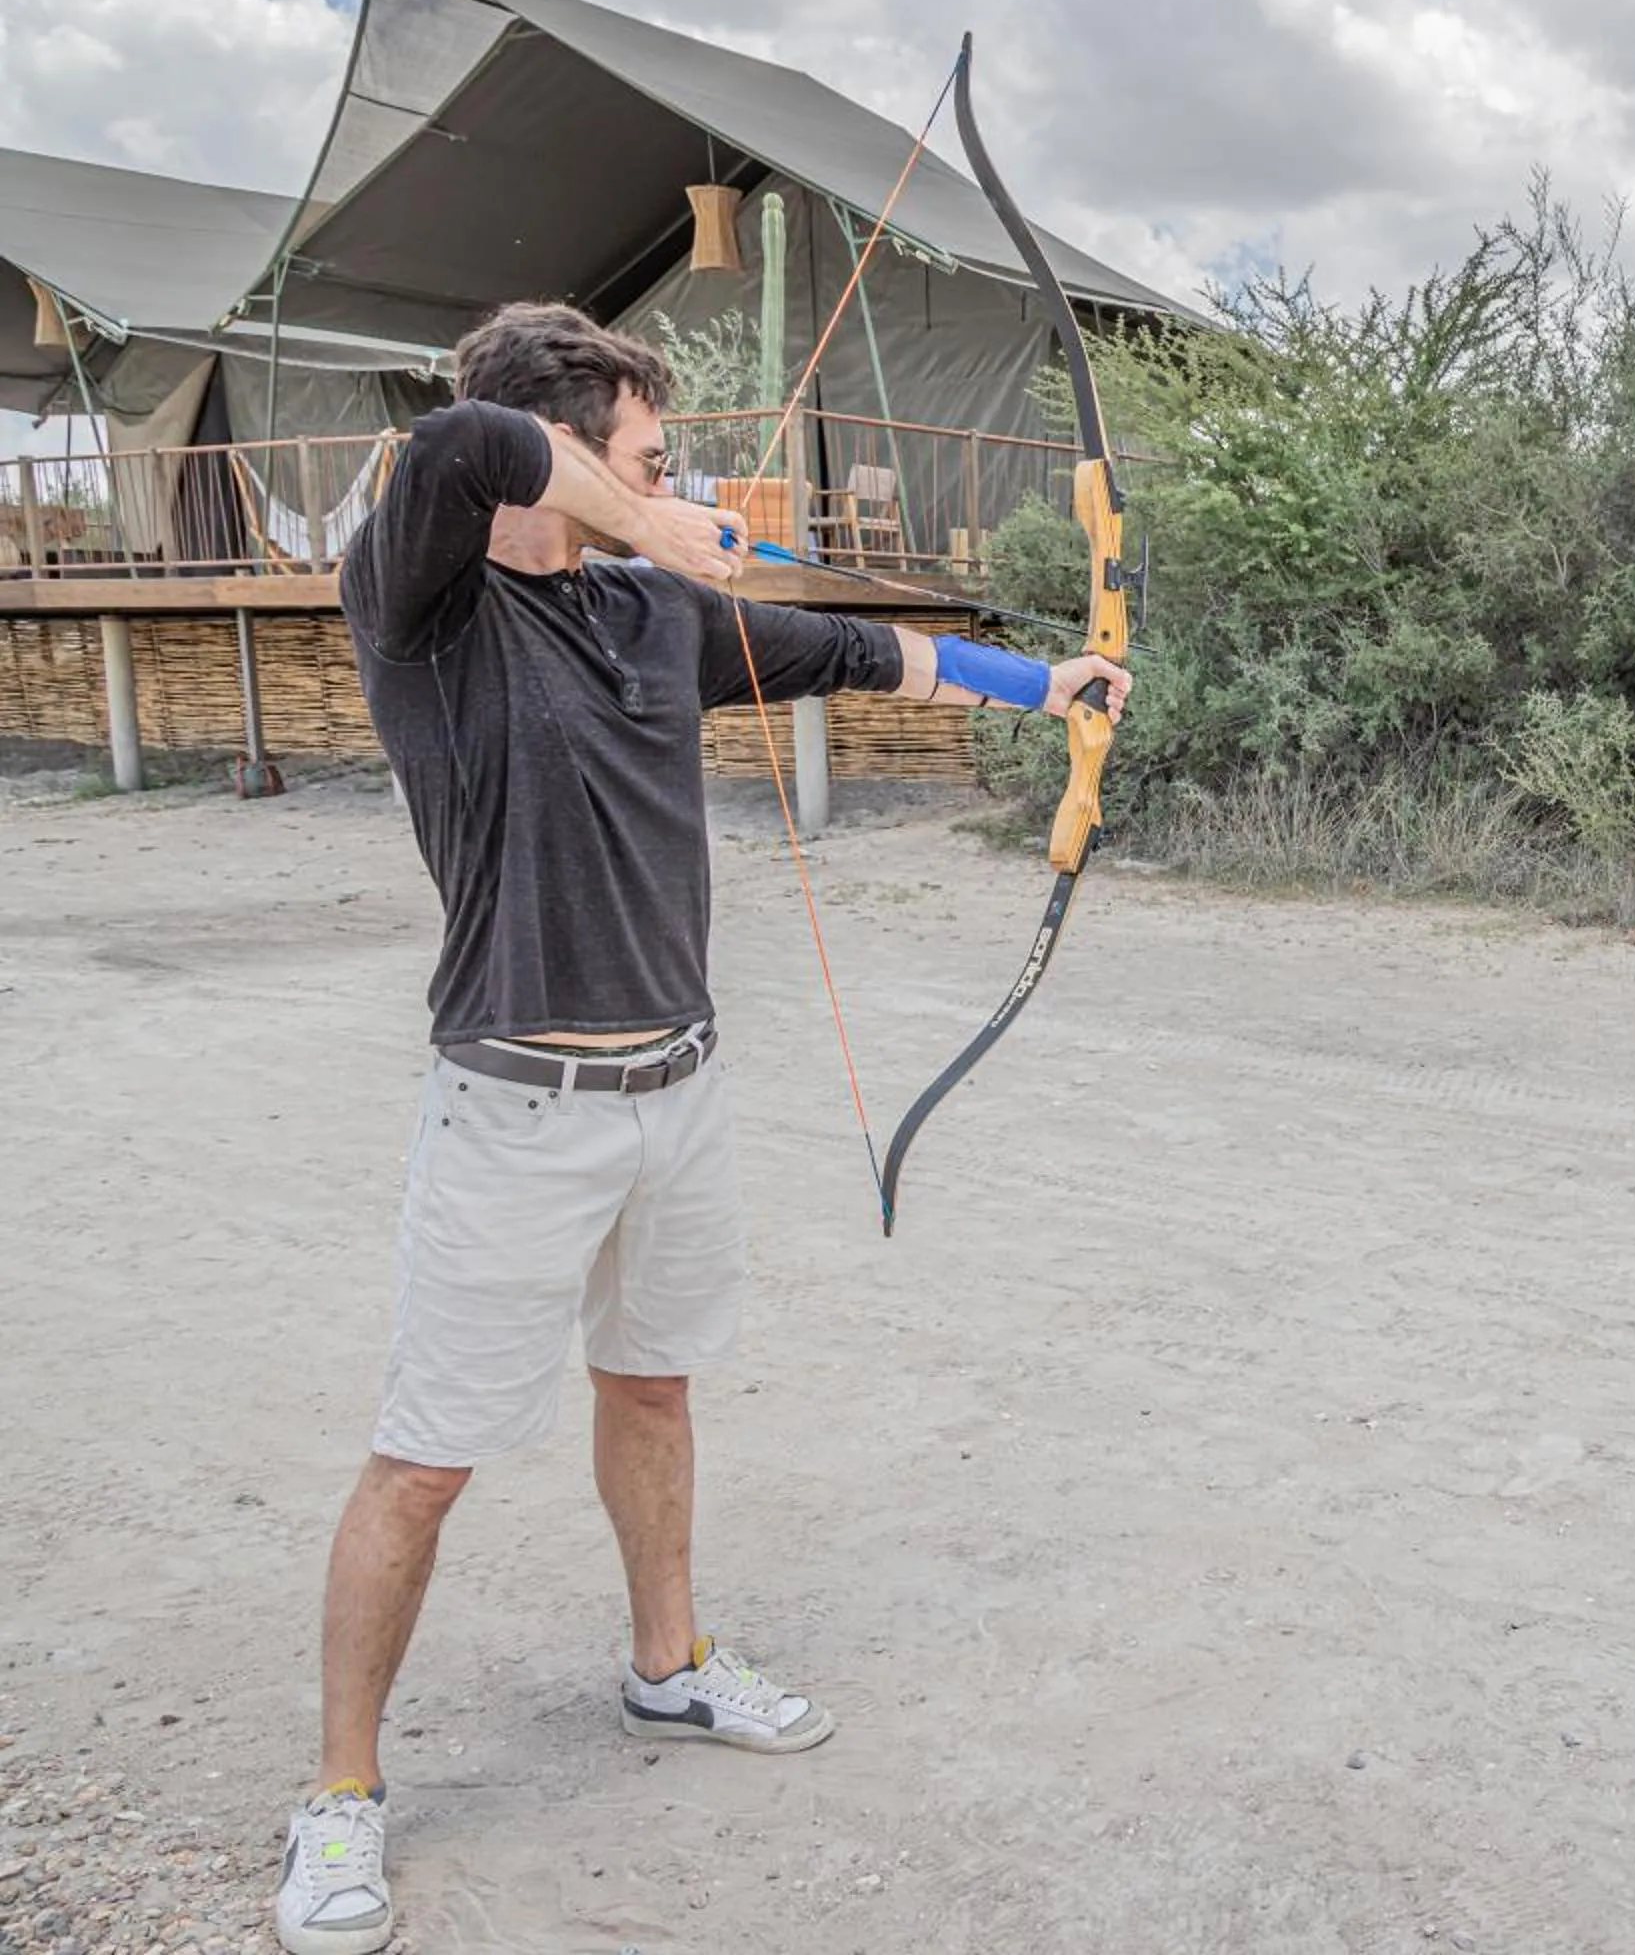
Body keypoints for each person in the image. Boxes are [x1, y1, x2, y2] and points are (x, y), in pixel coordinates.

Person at [271, 301, 1127, 1955]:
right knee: (427, 1460)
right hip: (515, 1100)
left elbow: (866, 652)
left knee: (652, 1388)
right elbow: (463, 448)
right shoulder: (424, 607)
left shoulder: (654, 616)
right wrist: (647, 515)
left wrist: (1056, 685)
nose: (682, 482)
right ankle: (342, 1795)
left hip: (682, 1088)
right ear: (574, 457)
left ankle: (666, 1669)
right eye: (651, 455)